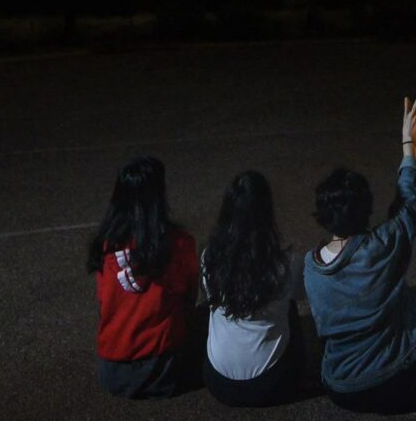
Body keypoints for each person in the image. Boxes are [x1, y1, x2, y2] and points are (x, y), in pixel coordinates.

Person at [304, 96, 416, 412]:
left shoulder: (311, 267)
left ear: (323, 215)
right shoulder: (383, 245)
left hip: (340, 389)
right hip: (396, 383)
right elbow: (409, 205)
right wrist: (409, 144)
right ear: (366, 209)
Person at [87, 154, 201, 397]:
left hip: (111, 371)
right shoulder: (178, 243)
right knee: (208, 317)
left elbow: (103, 304)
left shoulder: (105, 245)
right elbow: (190, 298)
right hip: (162, 371)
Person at [200, 169, 307, 406]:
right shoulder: (284, 263)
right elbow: (302, 295)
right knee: (290, 309)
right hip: (271, 385)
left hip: (218, 381)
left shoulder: (210, 258)